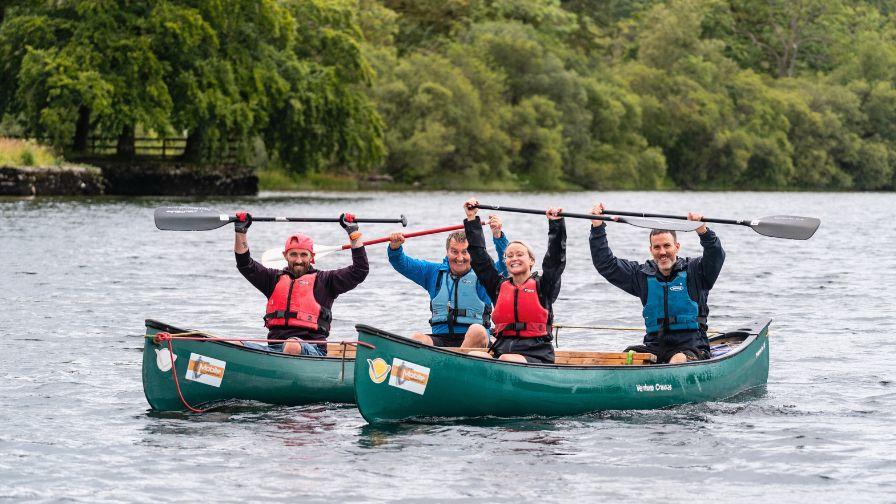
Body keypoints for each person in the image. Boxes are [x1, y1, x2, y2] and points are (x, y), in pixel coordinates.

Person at [588, 202, 725, 364]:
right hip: (655, 346)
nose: (662, 252)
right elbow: (606, 264)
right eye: (657, 247)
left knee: (678, 359)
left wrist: (702, 230)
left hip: (692, 346)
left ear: (677, 247)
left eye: (667, 246)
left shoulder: (696, 271)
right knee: (628, 357)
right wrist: (597, 227)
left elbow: (715, 255)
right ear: (651, 249)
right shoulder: (641, 275)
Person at [232, 211, 369, 355]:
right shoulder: (272, 279)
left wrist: (353, 232)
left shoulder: (326, 281)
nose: (298, 260)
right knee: (234, 344)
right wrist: (241, 231)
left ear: (312, 257)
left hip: (313, 349)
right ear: (285, 256)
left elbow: (360, 270)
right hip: (274, 348)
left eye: (303, 255)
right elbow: (245, 264)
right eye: (293, 254)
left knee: (292, 345)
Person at [462, 197, 565, 364]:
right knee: (477, 355)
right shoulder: (498, 286)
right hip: (502, 350)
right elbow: (479, 259)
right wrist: (472, 218)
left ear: (531, 260)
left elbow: (555, 259)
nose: (514, 258)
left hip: (536, 354)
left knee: (506, 359)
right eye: (509, 256)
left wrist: (556, 224)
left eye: (519, 254)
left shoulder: (544, 286)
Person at [387, 215, 510, 348]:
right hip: (441, 339)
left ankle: (458, 358)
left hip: (476, 339)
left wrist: (498, 236)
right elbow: (402, 263)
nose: (460, 258)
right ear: (447, 252)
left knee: (477, 331)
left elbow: (506, 265)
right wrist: (395, 248)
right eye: (454, 252)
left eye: (465, 252)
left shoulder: (485, 274)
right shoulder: (433, 272)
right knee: (417, 338)